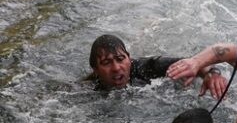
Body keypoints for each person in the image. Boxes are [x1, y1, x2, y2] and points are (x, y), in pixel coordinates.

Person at [87, 34, 219, 96]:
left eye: (120, 59)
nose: (116, 68)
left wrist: (211, 74)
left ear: (129, 58)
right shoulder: (87, 88)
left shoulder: (147, 68)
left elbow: (194, 63)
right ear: (95, 69)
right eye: (106, 63)